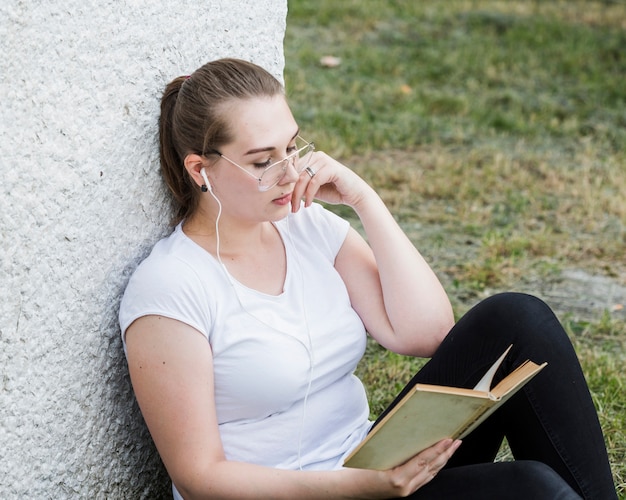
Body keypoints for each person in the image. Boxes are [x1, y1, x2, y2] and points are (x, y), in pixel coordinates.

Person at [119, 58, 617, 499]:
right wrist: (354, 487)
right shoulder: (170, 288)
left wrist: (364, 200)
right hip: (310, 490)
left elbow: (425, 334)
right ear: (200, 169)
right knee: (528, 486)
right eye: (263, 161)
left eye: (293, 147)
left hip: (369, 464)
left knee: (516, 319)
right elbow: (198, 477)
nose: (291, 173)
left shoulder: (306, 226)